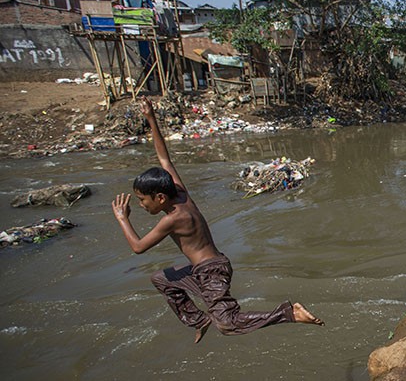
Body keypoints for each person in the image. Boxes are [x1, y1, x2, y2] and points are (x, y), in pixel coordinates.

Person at [112, 97, 323, 343]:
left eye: (142, 200)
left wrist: (122, 219)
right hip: (204, 268)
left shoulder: (173, 218)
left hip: (211, 272)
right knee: (161, 278)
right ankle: (198, 320)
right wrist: (151, 119)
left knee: (227, 324)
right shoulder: (180, 194)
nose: (140, 205)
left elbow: (138, 247)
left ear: (159, 198)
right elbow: (165, 160)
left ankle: (288, 313)